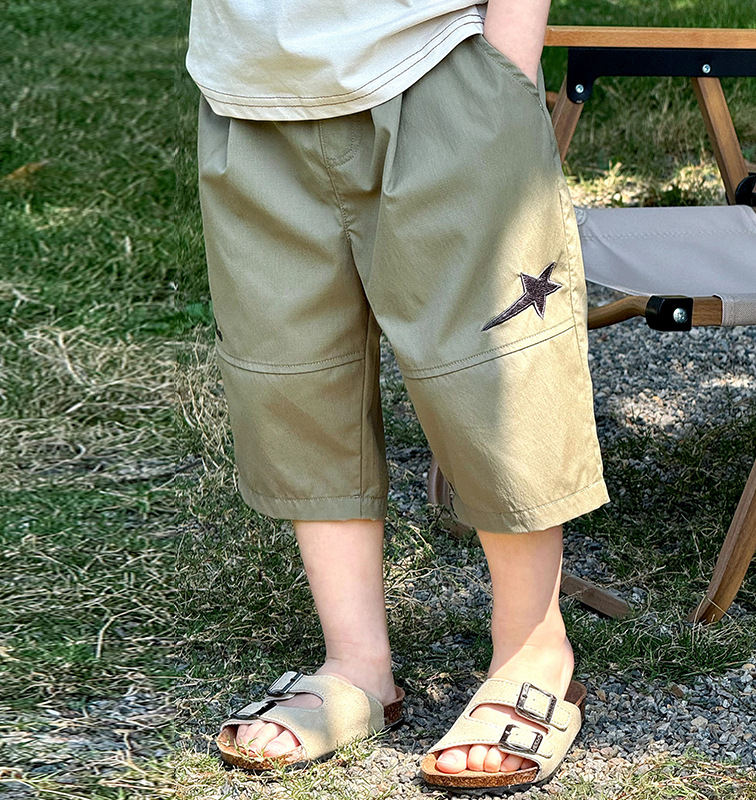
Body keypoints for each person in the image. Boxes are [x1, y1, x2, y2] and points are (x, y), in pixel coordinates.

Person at [186, 0, 609, 791]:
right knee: (293, 379)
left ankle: (533, 651)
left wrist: (507, 65)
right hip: (248, 86)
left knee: (494, 371)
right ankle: (356, 664)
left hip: (436, 63)